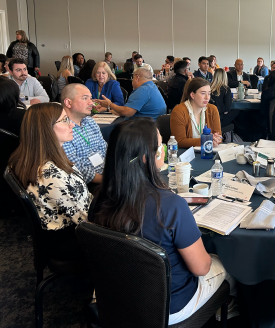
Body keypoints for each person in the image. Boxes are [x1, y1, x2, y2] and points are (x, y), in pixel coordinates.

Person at [89, 118, 235, 324]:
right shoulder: (170, 206)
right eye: (161, 145)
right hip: (168, 307)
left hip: (114, 297)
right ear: (148, 157)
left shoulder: (98, 199)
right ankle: (227, 311)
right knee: (226, 267)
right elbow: (201, 268)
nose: (164, 149)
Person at [9, 103, 92, 260]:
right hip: (69, 240)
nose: (71, 124)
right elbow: (87, 222)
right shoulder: (51, 174)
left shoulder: (34, 158)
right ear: (46, 129)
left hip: (60, 231)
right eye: (65, 120)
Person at [61, 84, 107, 185]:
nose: (91, 103)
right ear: (68, 102)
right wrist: (108, 180)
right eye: (85, 98)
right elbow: (74, 166)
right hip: (87, 184)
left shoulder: (90, 121)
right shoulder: (61, 129)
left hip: (106, 173)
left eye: (90, 98)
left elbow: (104, 148)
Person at [170, 78, 222, 148]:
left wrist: (217, 139)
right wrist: (206, 140)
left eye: (209, 93)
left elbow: (219, 136)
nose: (207, 97)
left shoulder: (213, 109)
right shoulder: (178, 111)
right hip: (187, 155)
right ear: (192, 95)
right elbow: (179, 141)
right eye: (203, 93)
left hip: (208, 152)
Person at [97, 67, 166, 120]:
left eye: (133, 78)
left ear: (137, 78)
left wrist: (110, 104)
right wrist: (108, 109)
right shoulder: (152, 87)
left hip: (141, 128)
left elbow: (127, 112)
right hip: (151, 125)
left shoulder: (142, 90)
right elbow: (130, 110)